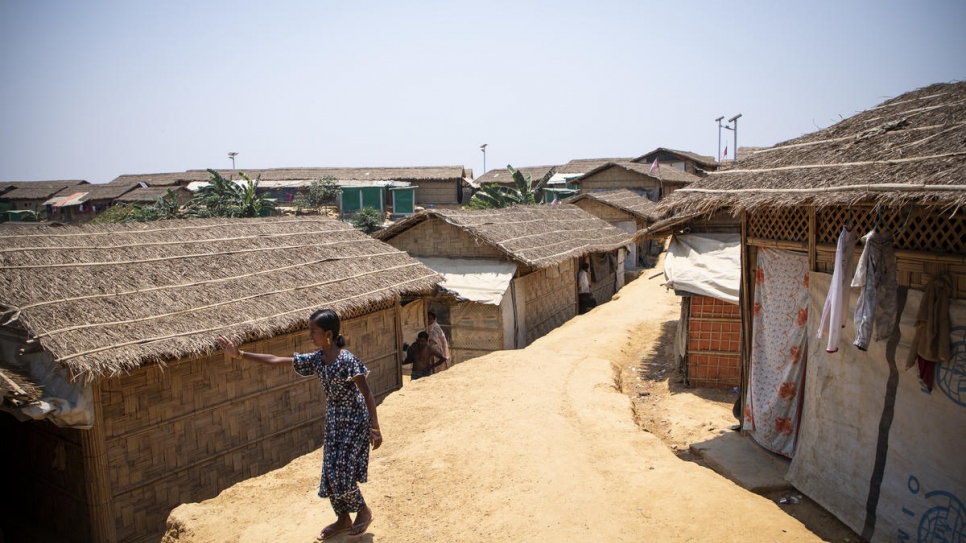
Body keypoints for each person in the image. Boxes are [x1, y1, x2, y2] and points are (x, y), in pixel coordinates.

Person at [216, 309, 381, 540]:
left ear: (329, 334)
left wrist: (375, 428)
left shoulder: (347, 360)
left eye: (314, 332)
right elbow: (276, 361)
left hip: (355, 421)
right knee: (330, 472)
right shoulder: (316, 360)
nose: (310, 336)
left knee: (343, 472)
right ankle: (343, 518)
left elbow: (368, 393)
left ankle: (363, 511)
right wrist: (240, 354)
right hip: (334, 421)